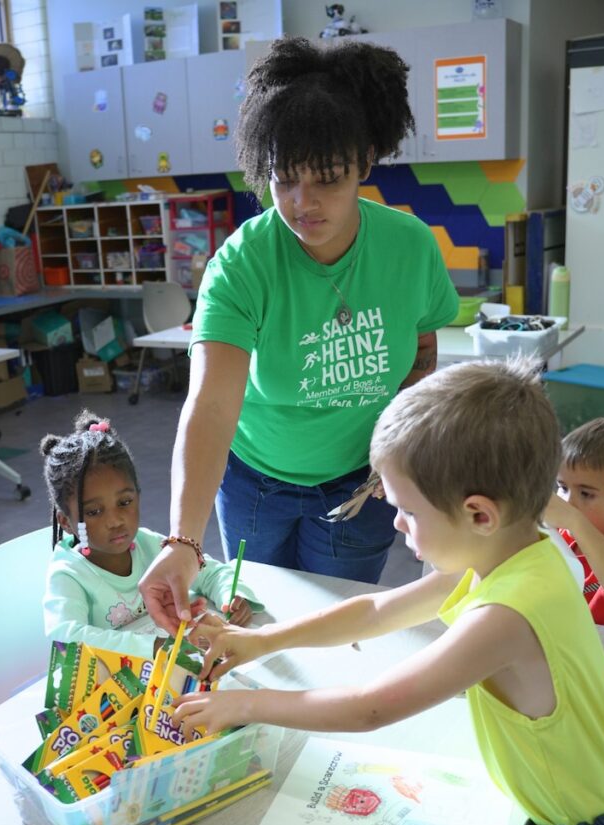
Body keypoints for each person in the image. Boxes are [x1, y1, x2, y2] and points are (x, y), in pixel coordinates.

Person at [174, 360, 604, 825]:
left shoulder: (505, 613)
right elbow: (378, 614)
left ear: (477, 512)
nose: (396, 525)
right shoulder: (522, 548)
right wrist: (262, 642)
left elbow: (371, 706)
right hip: (563, 817)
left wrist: (241, 702)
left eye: (407, 510)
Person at [139, 36, 459, 634]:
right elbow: (209, 405)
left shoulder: (410, 246)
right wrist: (184, 537)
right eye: (284, 179)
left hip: (359, 487)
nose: (300, 203)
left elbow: (421, 360)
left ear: (365, 161)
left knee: (335, 630)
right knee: (257, 622)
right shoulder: (243, 263)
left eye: (327, 180)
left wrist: (405, 466)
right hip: (256, 482)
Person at [41, 410, 262, 659]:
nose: (115, 521)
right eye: (94, 511)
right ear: (66, 523)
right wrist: (154, 647)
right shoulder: (69, 575)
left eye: (124, 502)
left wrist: (232, 596)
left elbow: (208, 570)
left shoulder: (146, 544)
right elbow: (66, 639)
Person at [544, 417, 604, 631]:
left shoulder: (574, 523)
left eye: (586, 494)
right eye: (562, 488)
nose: (568, 503)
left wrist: (574, 520)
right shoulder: (562, 536)